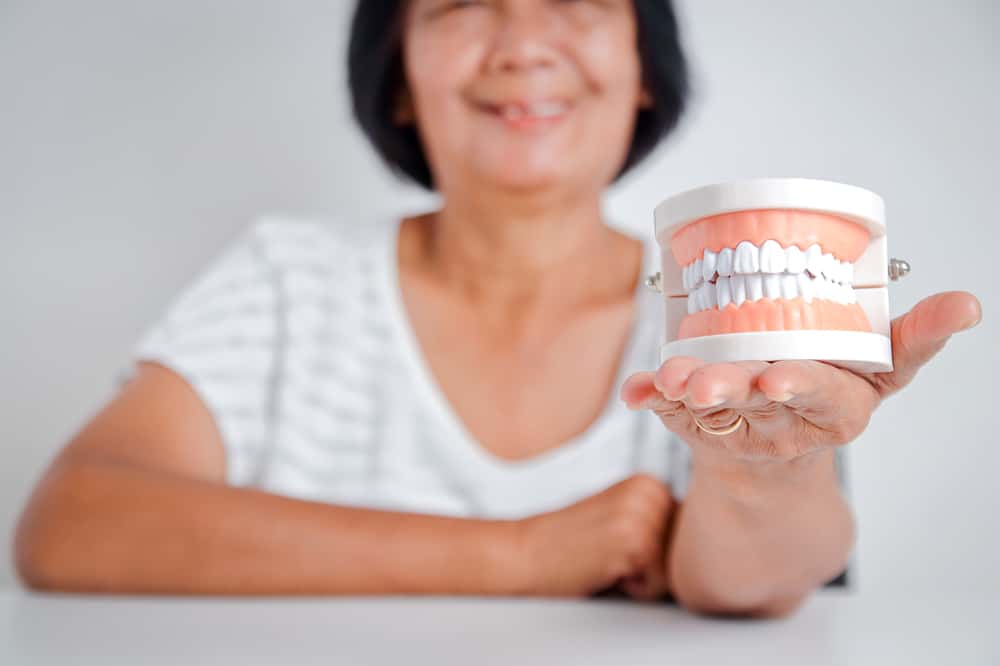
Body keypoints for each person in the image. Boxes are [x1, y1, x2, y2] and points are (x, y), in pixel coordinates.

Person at [14, 0, 980, 618]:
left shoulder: (734, 309)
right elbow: (72, 525)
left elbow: (758, 588)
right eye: (462, 2)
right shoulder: (282, 281)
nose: (523, 42)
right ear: (398, 75)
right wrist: (523, 553)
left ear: (644, 63)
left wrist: (766, 473)